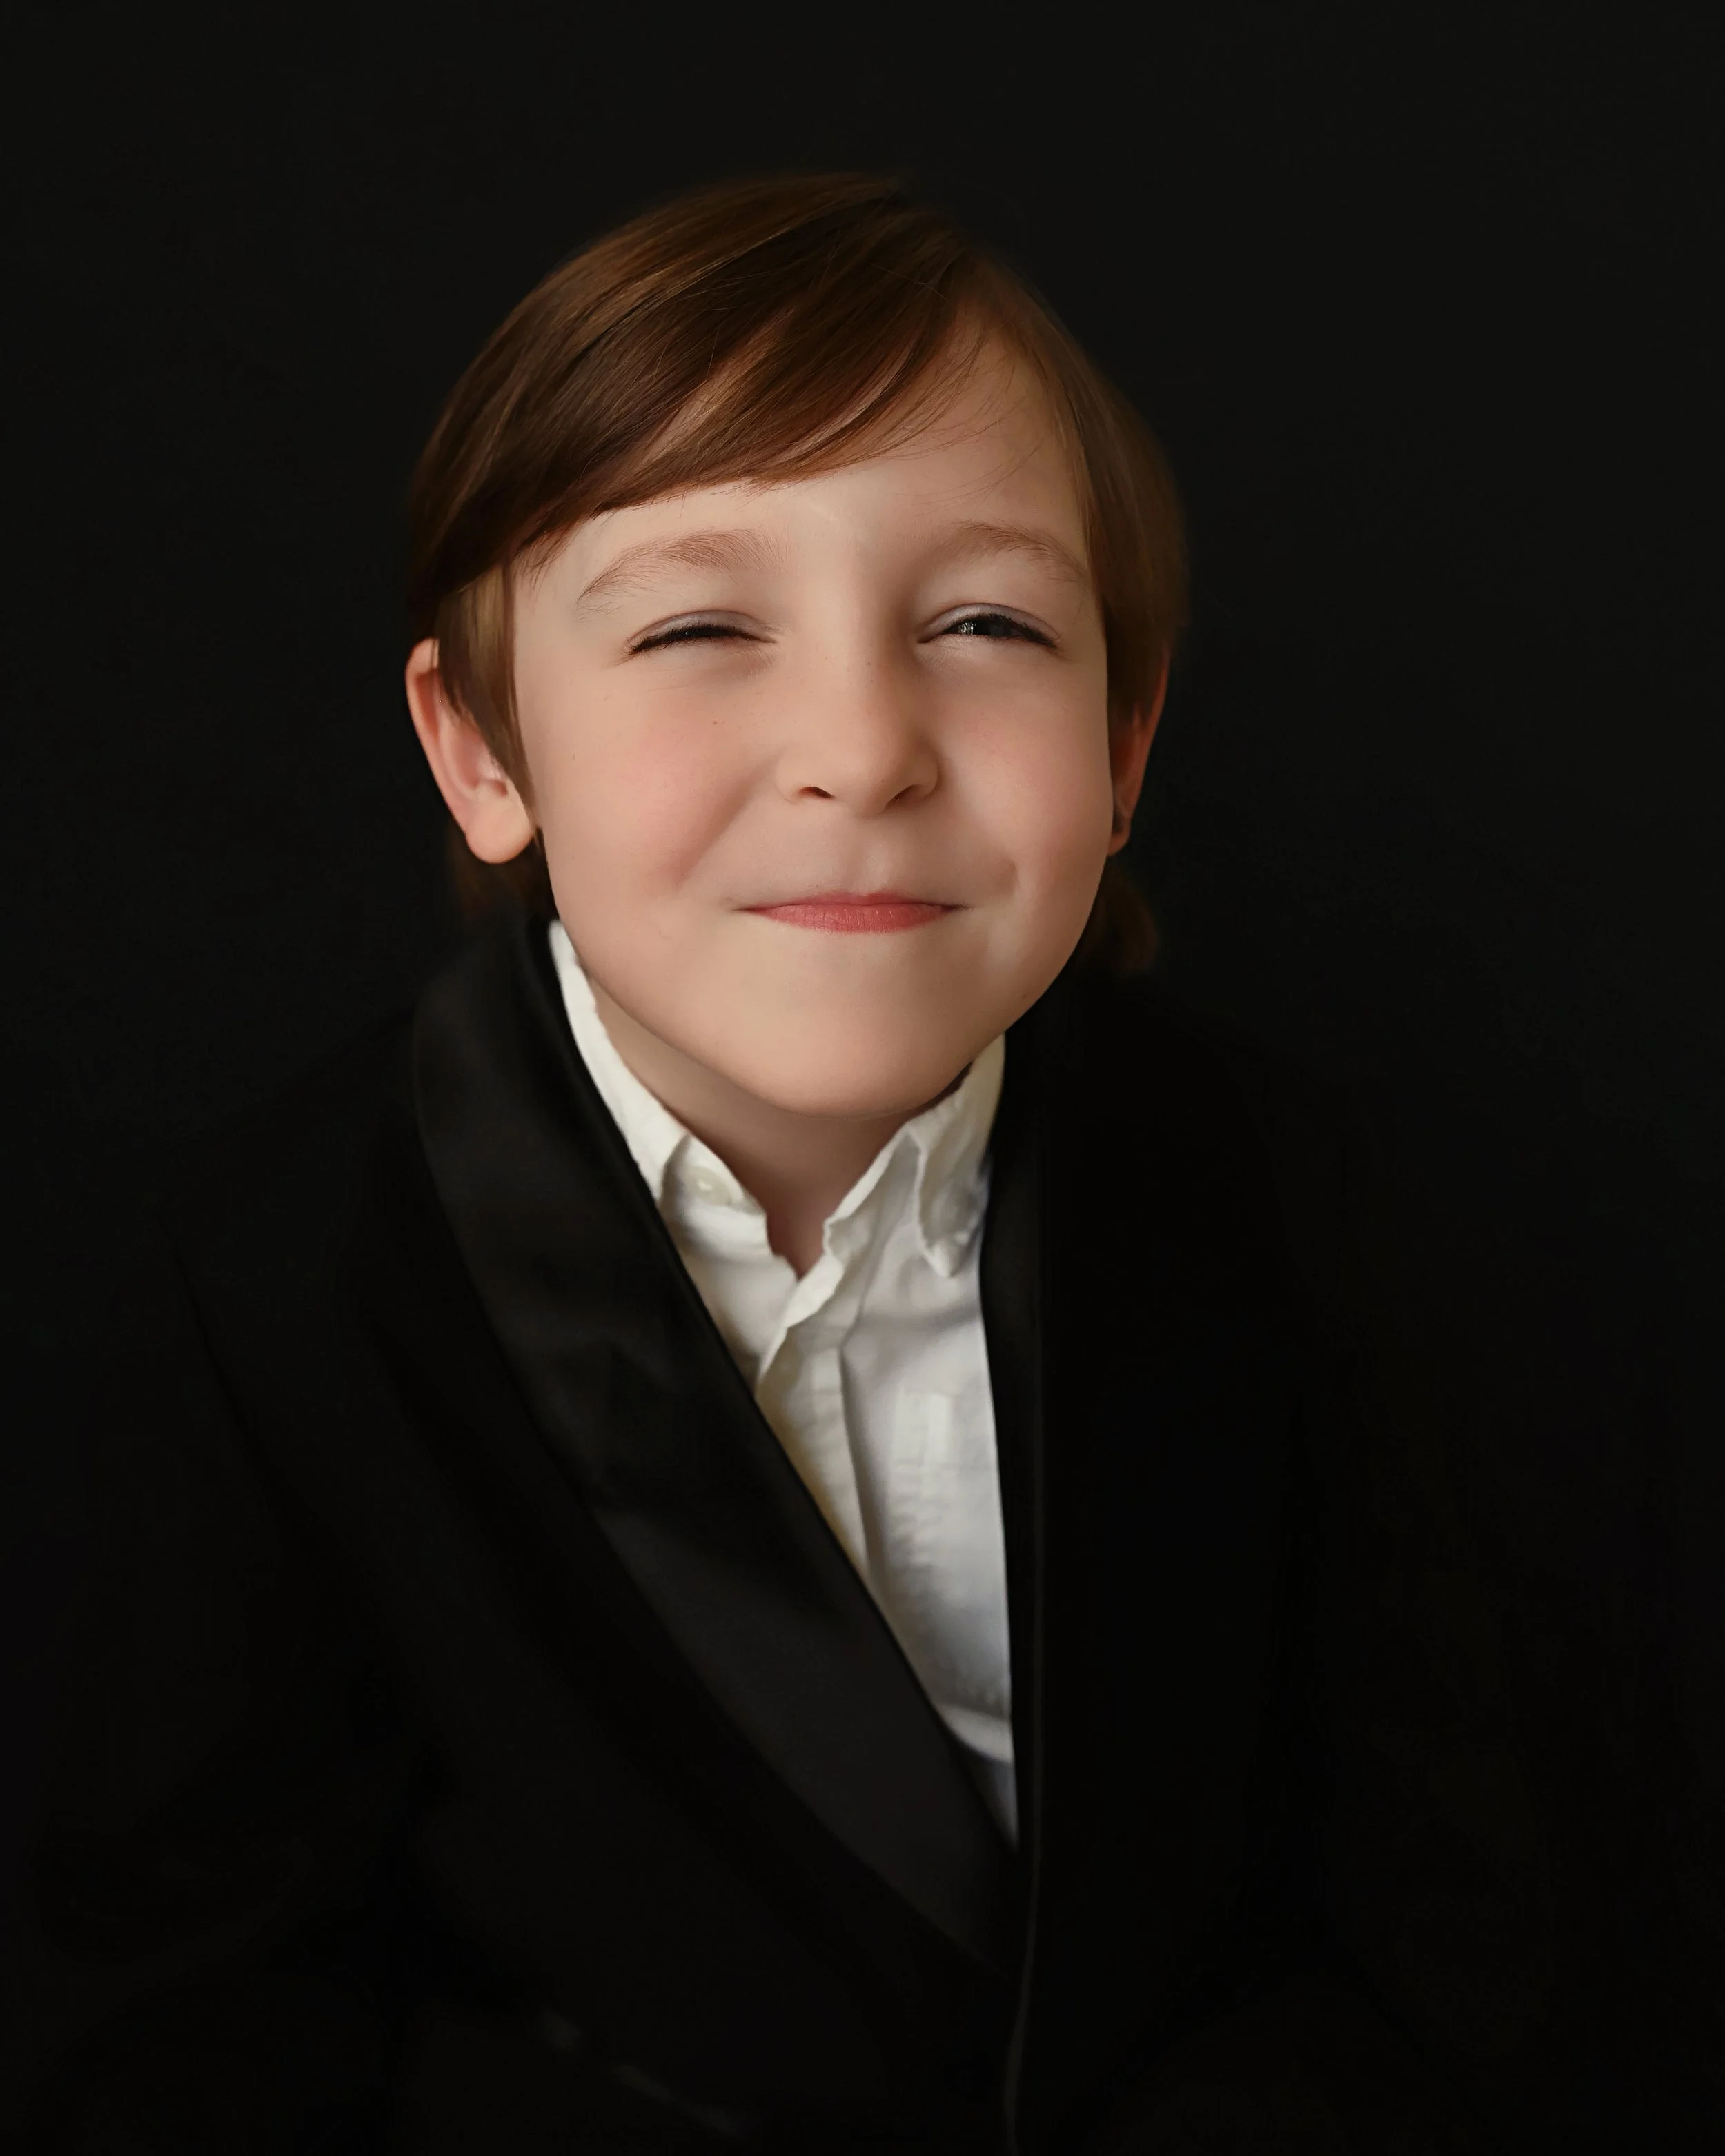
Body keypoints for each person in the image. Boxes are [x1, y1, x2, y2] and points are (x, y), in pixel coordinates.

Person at [0, 172, 1694, 2155]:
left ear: (1127, 744)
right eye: (703, 622)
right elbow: (179, 2030)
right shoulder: (283, 1281)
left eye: (984, 622)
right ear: (482, 750)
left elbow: (1474, 1927)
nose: (861, 745)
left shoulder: (1296, 1196)